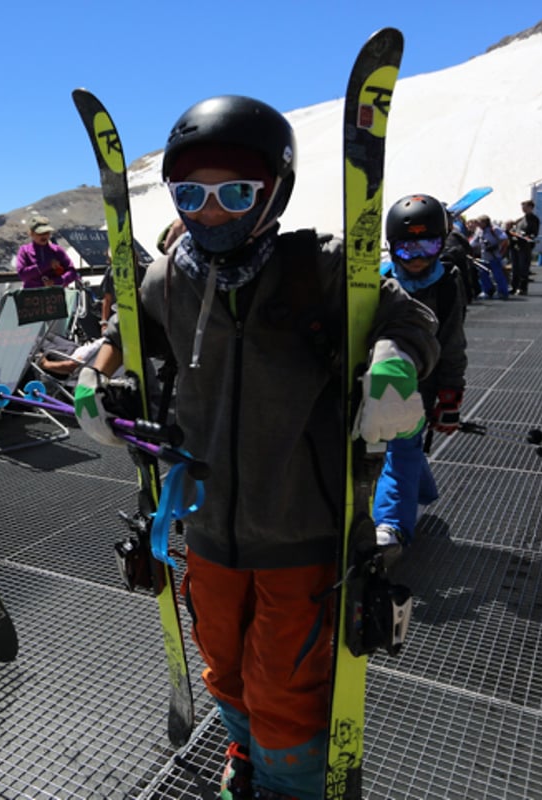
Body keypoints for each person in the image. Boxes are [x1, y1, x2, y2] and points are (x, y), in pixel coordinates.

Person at [71, 96, 439, 800]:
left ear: (273, 194)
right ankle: (244, 751)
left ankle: (289, 787)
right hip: (206, 523)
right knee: (224, 664)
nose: (211, 213)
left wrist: (394, 361)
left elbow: (408, 314)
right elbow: (132, 334)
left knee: (286, 680)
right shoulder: (166, 278)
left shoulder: (321, 267)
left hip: (300, 525)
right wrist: (97, 368)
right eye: (191, 195)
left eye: (235, 193)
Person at [374, 195, 468, 550]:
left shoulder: (445, 285)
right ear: (392, 248)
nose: (417, 260)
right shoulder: (380, 281)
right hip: (382, 378)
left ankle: (391, 526)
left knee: (401, 448)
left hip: (422, 385)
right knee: (399, 448)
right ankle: (421, 490)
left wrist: (450, 396)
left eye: (427, 246)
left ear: (442, 243)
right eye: (407, 249)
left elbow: (453, 342)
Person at [15, 215, 81, 288]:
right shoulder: (24, 251)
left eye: (46, 233)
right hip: (31, 295)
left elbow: (72, 272)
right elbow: (23, 275)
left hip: (56, 295)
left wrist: (57, 282)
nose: (44, 236)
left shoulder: (57, 250)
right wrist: (47, 265)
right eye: (40, 233)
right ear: (31, 233)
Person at [470, 215, 509, 299]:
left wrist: (496, 246)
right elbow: (474, 242)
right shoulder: (479, 231)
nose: (478, 224)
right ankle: (487, 291)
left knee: (497, 274)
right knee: (483, 274)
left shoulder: (494, 229)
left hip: (494, 256)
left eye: (480, 222)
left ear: (485, 222)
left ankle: (502, 292)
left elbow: (504, 238)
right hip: (484, 256)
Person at [506, 199, 540, 296]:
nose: (523, 209)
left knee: (523, 267)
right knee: (515, 267)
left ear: (530, 208)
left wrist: (526, 236)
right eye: (522, 207)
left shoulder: (534, 219)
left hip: (524, 246)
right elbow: (514, 229)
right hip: (516, 245)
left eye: (525, 207)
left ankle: (522, 288)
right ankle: (514, 286)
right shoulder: (520, 219)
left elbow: (534, 233)